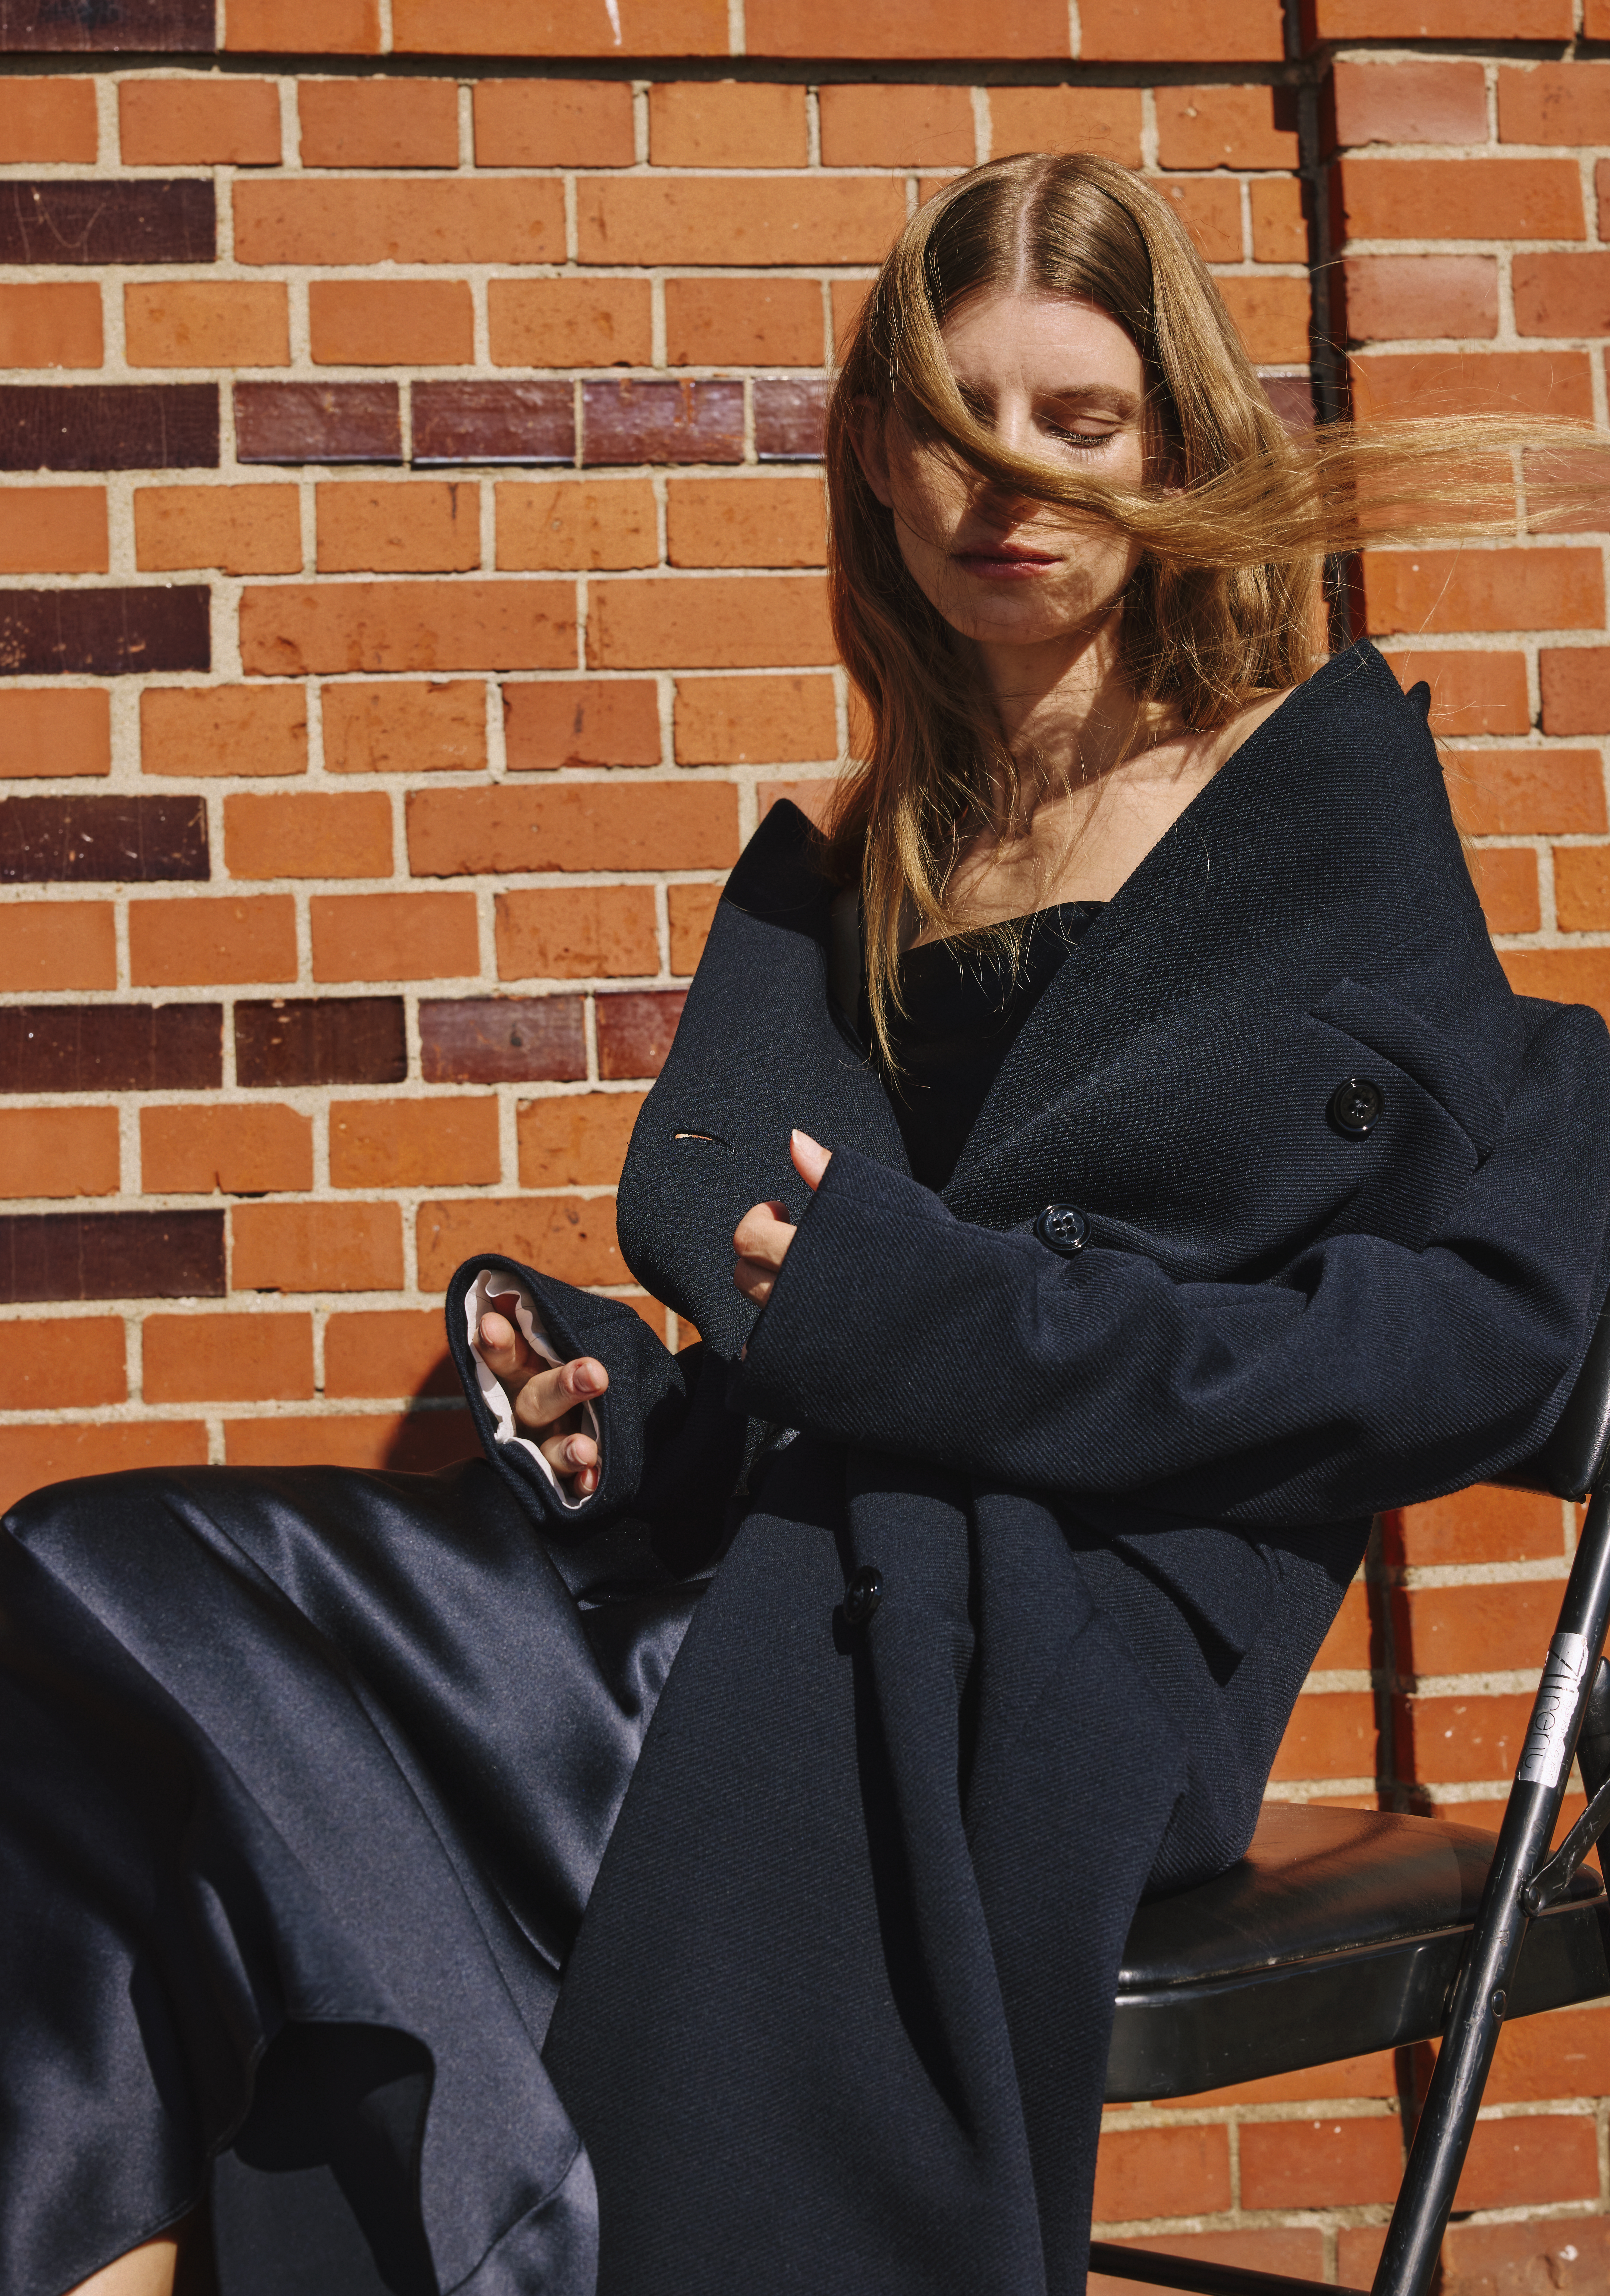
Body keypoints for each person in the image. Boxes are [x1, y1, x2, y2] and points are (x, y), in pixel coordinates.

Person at [8, 151, 1610, 2296]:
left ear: (1174, 452)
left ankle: (476, 2243)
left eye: (1080, 421)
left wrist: (920, 1325)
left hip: (1066, 1648)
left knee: (225, 1810)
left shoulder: (1307, 820)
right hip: (763, 1577)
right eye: (958, 423)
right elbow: (817, 1333)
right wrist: (639, 1402)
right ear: (874, 453)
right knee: (107, 1598)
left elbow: (1442, 1352)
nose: (1010, 481)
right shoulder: (862, 872)